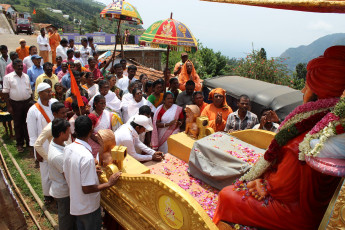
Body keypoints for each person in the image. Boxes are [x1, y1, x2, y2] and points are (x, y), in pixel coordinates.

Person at [213, 45, 345, 230]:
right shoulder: (332, 127)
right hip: (315, 210)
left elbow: (283, 187)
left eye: (306, 86)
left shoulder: (304, 141)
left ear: (318, 92)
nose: (302, 91)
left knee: (227, 195)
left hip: (293, 213)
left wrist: (262, 182)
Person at [63, 115, 121, 230]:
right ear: (91, 131)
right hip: (88, 207)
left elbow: (68, 172)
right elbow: (87, 189)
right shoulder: (86, 157)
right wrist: (109, 183)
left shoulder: (68, 148)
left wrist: (90, 170)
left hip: (76, 202)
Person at [27, 83, 58, 204]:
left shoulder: (54, 103)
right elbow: (32, 133)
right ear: (40, 93)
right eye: (48, 91)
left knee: (56, 168)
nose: (51, 93)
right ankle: (47, 195)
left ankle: (56, 192)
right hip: (43, 144)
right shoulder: (33, 110)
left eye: (51, 91)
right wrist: (37, 151)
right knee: (45, 170)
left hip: (55, 141)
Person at [48, 118, 75, 229]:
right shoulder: (57, 155)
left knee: (69, 217)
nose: (70, 133)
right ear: (61, 133)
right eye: (68, 131)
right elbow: (68, 177)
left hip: (62, 189)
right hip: (64, 192)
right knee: (66, 221)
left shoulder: (57, 143)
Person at [3, 58, 32, 152]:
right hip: (15, 104)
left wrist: (31, 103)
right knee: (18, 124)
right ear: (13, 67)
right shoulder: (8, 77)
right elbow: (6, 93)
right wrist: (9, 106)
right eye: (18, 66)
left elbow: (29, 90)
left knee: (27, 123)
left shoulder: (26, 76)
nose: (20, 67)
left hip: (27, 103)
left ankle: (28, 142)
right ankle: (19, 144)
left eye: (21, 66)